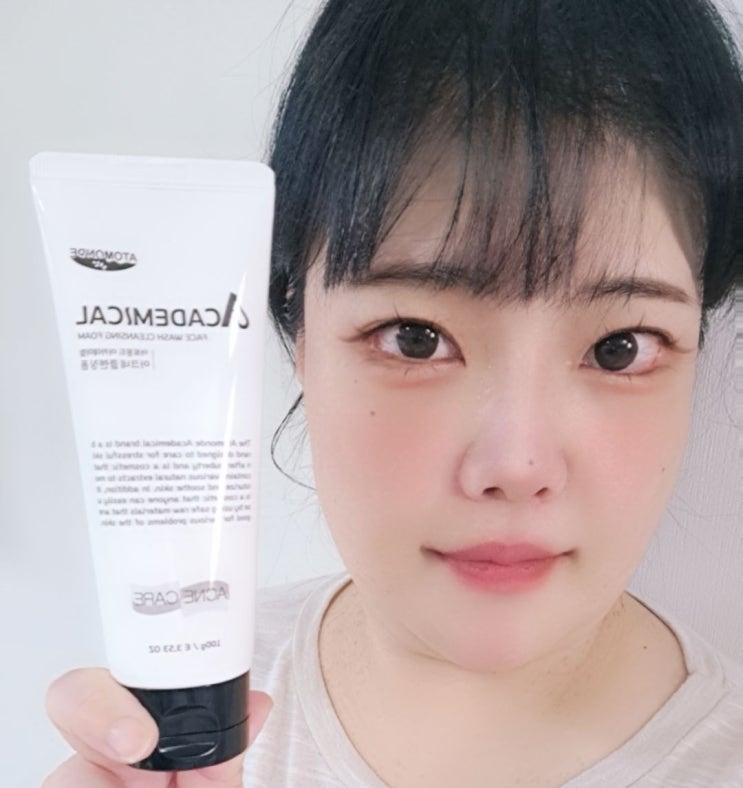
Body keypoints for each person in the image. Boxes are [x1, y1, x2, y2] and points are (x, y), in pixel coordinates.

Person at [42, 0, 743, 785]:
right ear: (295, 331)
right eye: (414, 337)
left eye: (620, 349)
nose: (516, 465)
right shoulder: (176, 729)